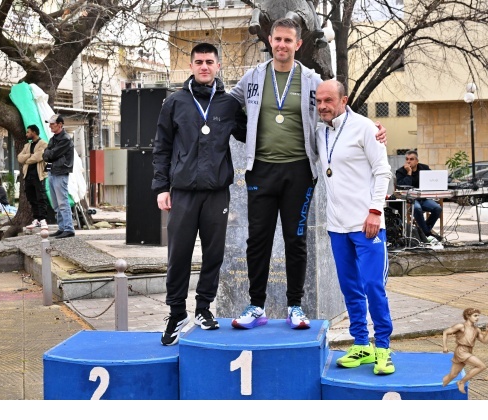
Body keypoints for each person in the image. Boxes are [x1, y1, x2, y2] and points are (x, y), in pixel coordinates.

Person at [229, 17, 387, 330]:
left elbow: (337, 105)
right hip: (260, 170)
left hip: (299, 171)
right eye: (277, 39)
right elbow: (227, 102)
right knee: (257, 240)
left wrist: (371, 127)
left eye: (288, 40)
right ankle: (256, 306)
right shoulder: (253, 77)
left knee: (296, 240)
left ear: (298, 44)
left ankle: (295, 306)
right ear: (270, 40)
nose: (282, 45)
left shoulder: (311, 79)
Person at [152, 42, 247, 345]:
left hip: (217, 192)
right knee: (178, 254)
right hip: (182, 192)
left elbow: (251, 133)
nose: (204, 66)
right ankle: (176, 313)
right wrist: (161, 187)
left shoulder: (229, 104)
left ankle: (204, 308)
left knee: (214, 254)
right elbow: (162, 146)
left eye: (209, 62)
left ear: (218, 66)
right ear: (191, 66)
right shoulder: (175, 102)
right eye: (199, 62)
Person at [314, 80, 395, 375]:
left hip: (367, 224)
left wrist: (375, 211)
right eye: (318, 101)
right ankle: (361, 344)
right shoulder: (320, 131)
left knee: (374, 286)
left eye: (328, 100)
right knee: (350, 288)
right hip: (337, 226)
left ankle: (383, 348)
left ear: (344, 100)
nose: (323, 106)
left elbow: (383, 172)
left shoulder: (365, 128)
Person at [441, 308, 488, 394]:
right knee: (481, 366)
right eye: (475, 316)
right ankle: (461, 382)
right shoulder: (461, 326)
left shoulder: (476, 330)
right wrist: (445, 346)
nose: (477, 318)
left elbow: (485, 341)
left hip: (468, 351)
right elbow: (445, 332)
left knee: (453, 375)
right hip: (461, 351)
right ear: (468, 316)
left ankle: (440, 386)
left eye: (478, 316)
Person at [395, 150, 442, 240]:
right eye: (407, 159)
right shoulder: (400, 171)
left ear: (417, 161)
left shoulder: (424, 168)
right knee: (417, 208)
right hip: (410, 200)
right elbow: (402, 187)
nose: (408, 161)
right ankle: (427, 234)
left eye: (411, 159)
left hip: (423, 198)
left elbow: (433, 179)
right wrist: (409, 173)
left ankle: (423, 232)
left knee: (437, 208)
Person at [42, 114, 75, 239]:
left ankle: (68, 228)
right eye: (50, 124)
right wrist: (49, 154)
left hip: (60, 172)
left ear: (60, 124)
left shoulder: (65, 139)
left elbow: (50, 154)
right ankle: (62, 228)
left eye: (52, 124)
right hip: (52, 171)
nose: (50, 126)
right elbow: (46, 154)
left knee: (62, 202)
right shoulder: (54, 138)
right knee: (56, 203)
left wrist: (49, 153)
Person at [18, 124, 48, 230]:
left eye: (28, 132)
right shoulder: (27, 145)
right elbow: (19, 158)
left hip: (38, 175)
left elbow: (38, 157)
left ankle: (43, 219)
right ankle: (36, 219)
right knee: (31, 198)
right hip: (28, 175)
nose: (26, 134)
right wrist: (30, 155)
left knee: (41, 197)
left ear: (34, 132)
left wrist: (27, 159)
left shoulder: (43, 143)